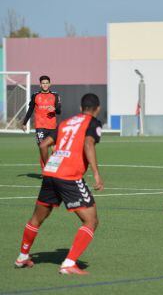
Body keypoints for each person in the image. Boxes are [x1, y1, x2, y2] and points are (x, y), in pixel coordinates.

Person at [14, 93, 104, 275]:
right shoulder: (93, 122)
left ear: (80, 108)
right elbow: (88, 144)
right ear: (97, 109)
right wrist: (96, 173)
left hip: (51, 173)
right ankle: (69, 263)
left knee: (37, 219)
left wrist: (47, 165)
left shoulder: (65, 123)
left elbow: (43, 145)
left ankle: (22, 256)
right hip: (69, 176)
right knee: (91, 220)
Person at [22, 75, 62, 169]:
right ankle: (47, 170)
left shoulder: (55, 95)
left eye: (46, 83)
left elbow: (59, 111)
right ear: (40, 85)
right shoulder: (35, 95)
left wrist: (54, 109)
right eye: (43, 83)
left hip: (52, 127)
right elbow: (30, 110)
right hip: (40, 127)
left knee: (55, 149)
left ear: (50, 84)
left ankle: (52, 167)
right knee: (43, 148)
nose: (45, 85)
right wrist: (24, 123)